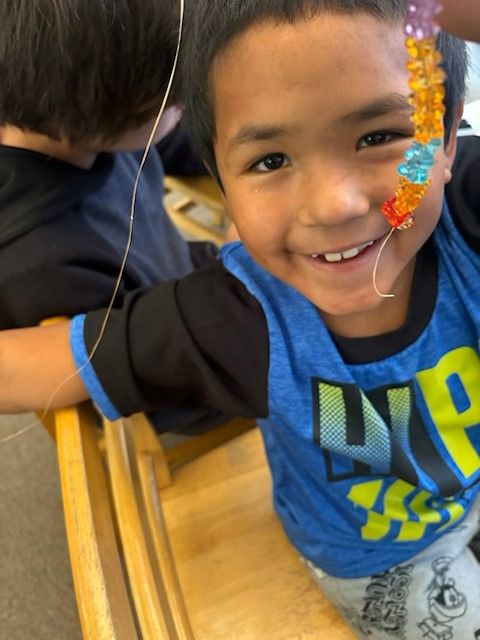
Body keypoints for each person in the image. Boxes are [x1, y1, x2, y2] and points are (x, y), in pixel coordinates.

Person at [1, 0, 480, 636]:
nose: (333, 204)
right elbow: (33, 366)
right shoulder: (231, 321)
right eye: (270, 161)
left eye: (379, 137)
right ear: (225, 186)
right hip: (382, 558)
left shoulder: (466, 214)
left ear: (446, 140)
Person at [0, 0, 229, 433]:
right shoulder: (44, 267)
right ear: (118, 106)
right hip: (193, 368)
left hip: (189, 287)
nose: (183, 109)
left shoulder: (80, 124)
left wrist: (256, 164)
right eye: (174, 101)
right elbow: (156, 371)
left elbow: (172, 142)